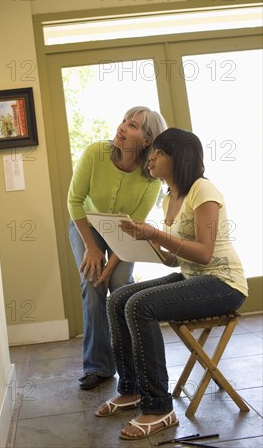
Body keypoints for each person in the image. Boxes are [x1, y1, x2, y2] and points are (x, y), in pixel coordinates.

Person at [95, 127, 248, 439]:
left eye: (159, 153)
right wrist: (149, 246)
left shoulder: (203, 191)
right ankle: (132, 390)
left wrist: (155, 234)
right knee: (118, 298)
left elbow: (204, 253)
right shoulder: (169, 199)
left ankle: (159, 408)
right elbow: (177, 258)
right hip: (193, 277)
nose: (150, 158)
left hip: (223, 283)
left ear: (180, 159)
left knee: (140, 305)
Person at [67, 106, 167, 390]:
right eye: (124, 121)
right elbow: (74, 201)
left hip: (125, 231)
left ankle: (133, 364)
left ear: (147, 140)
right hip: (85, 224)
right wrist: (92, 249)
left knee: (120, 283)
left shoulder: (151, 178)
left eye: (133, 125)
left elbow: (135, 225)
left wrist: (112, 266)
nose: (122, 127)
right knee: (92, 281)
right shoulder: (95, 153)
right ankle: (98, 367)